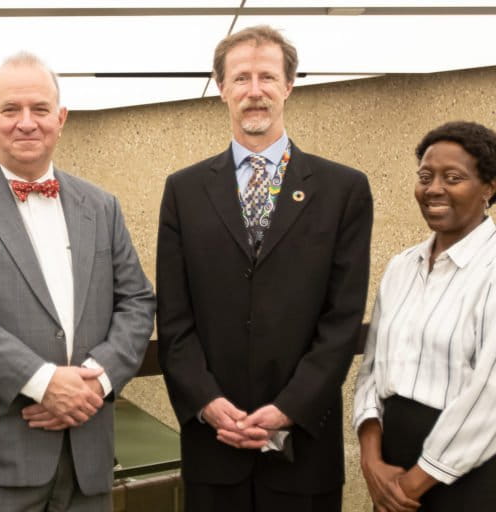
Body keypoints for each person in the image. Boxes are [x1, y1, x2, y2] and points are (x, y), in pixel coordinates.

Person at [0, 52, 155, 512]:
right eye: (11, 110)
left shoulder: (101, 205)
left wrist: (94, 384)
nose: (27, 123)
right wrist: (44, 382)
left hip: (89, 460)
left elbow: (138, 302)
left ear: (60, 119)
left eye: (40, 109)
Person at [156, 25, 373, 511]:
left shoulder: (344, 190)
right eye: (241, 78)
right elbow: (174, 319)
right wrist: (207, 404)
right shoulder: (184, 191)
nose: (254, 91)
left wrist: (289, 408)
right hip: (215, 444)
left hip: (304, 449)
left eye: (267, 78)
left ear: (289, 85)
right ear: (221, 88)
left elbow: (341, 320)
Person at [354, 121, 496, 512]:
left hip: (469, 471)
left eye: (453, 177)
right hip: (390, 458)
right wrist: (371, 459)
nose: (434, 188)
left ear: (489, 187)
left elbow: (490, 397)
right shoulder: (401, 267)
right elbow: (371, 368)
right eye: (425, 176)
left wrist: (411, 485)